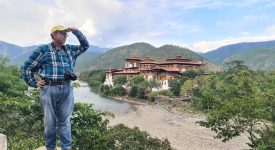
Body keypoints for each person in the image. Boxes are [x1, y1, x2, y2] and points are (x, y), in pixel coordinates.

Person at [21, 25, 89, 150]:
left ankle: (66, 148)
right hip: (49, 88)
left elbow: (85, 46)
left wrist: (76, 32)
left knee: (65, 122)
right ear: (54, 35)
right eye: (63, 33)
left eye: (66, 34)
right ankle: (50, 148)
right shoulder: (43, 50)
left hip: (67, 87)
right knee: (50, 123)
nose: (65, 36)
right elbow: (26, 67)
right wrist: (33, 83)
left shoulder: (69, 49)